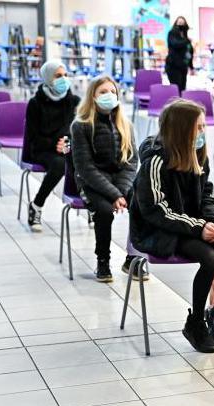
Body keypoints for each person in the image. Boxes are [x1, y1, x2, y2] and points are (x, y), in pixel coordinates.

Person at [129, 99, 214, 353]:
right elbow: (156, 210)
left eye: (203, 127)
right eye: (198, 128)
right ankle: (196, 322)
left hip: (189, 225)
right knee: (210, 258)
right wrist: (199, 226)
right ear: (180, 130)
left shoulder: (198, 154)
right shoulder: (155, 161)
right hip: (157, 230)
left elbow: (207, 195)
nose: (203, 133)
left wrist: (210, 221)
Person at [70, 75, 139, 283]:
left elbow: (131, 162)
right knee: (103, 211)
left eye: (112, 92)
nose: (109, 95)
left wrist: (121, 190)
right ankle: (103, 260)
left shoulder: (126, 124)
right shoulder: (80, 126)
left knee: (142, 202)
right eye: (103, 92)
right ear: (93, 96)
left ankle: (134, 258)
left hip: (120, 180)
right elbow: (85, 168)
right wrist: (115, 194)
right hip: (92, 182)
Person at [23, 60, 80, 232]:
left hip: (66, 146)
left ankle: (88, 201)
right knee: (59, 164)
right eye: (58, 76)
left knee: (83, 159)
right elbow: (33, 137)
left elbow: (76, 130)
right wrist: (57, 142)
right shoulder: (35, 103)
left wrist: (67, 142)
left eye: (65, 75)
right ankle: (37, 205)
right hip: (42, 149)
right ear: (48, 78)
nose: (63, 79)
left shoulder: (74, 101)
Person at [165, 16, 194, 93]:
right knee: (176, 89)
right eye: (179, 23)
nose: (181, 25)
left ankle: (181, 104)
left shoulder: (186, 37)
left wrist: (191, 67)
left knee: (182, 89)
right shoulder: (171, 34)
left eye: (182, 23)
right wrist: (187, 41)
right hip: (173, 66)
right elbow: (175, 44)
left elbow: (190, 53)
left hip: (183, 67)